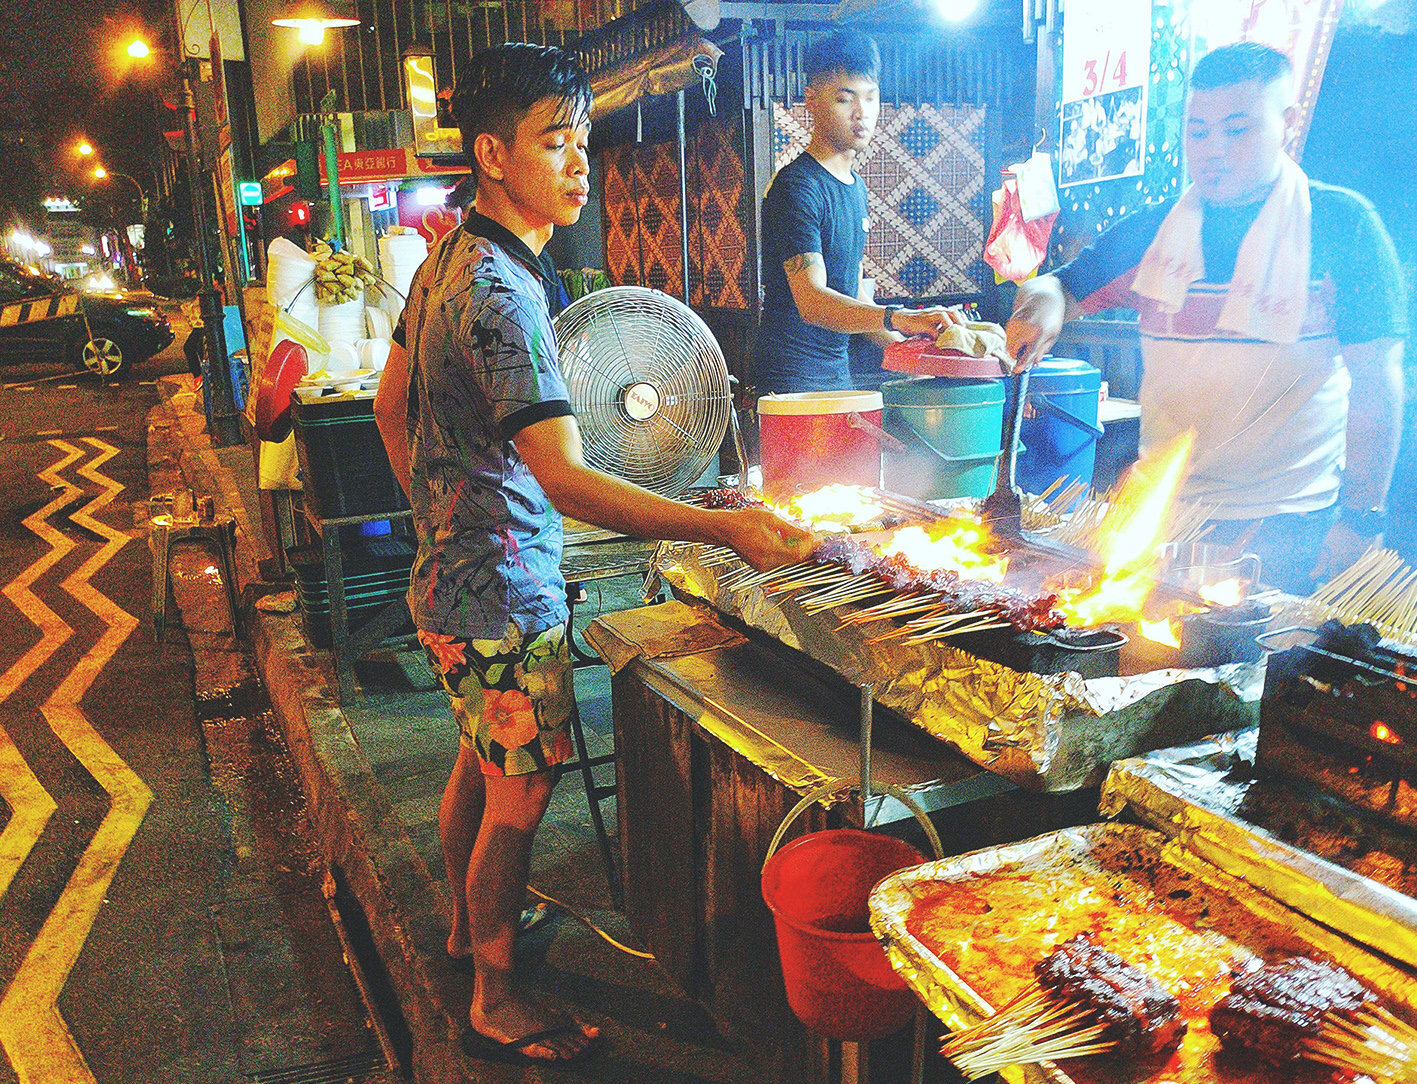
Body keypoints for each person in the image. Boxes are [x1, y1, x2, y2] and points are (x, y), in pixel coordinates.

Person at [372, 43, 815, 1066]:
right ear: (491, 153)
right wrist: (727, 526)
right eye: (553, 141)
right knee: (521, 793)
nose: (579, 164)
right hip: (504, 598)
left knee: (484, 768)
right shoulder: (503, 295)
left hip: (453, 581)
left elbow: (392, 406)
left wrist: (442, 516)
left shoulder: (445, 255)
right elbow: (567, 479)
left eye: (581, 139)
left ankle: (464, 927)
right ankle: (492, 990)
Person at [1006, 42, 1406, 595]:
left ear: (1287, 123)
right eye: (1198, 131)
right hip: (1164, 514)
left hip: (1290, 523)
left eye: (1236, 130)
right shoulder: (1153, 231)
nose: (1213, 150)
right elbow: (1060, 286)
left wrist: (1362, 516)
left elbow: (1376, 384)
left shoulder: (1341, 226)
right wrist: (1045, 303)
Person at [752, 29, 962, 395]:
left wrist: (910, 351)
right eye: (845, 99)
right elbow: (813, 301)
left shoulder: (856, 187)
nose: (861, 113)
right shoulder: (797, 186)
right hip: (791, 381)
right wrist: (901, 316)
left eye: (870, 97)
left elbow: (853, 290)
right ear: (812, 100)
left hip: (838, 372)